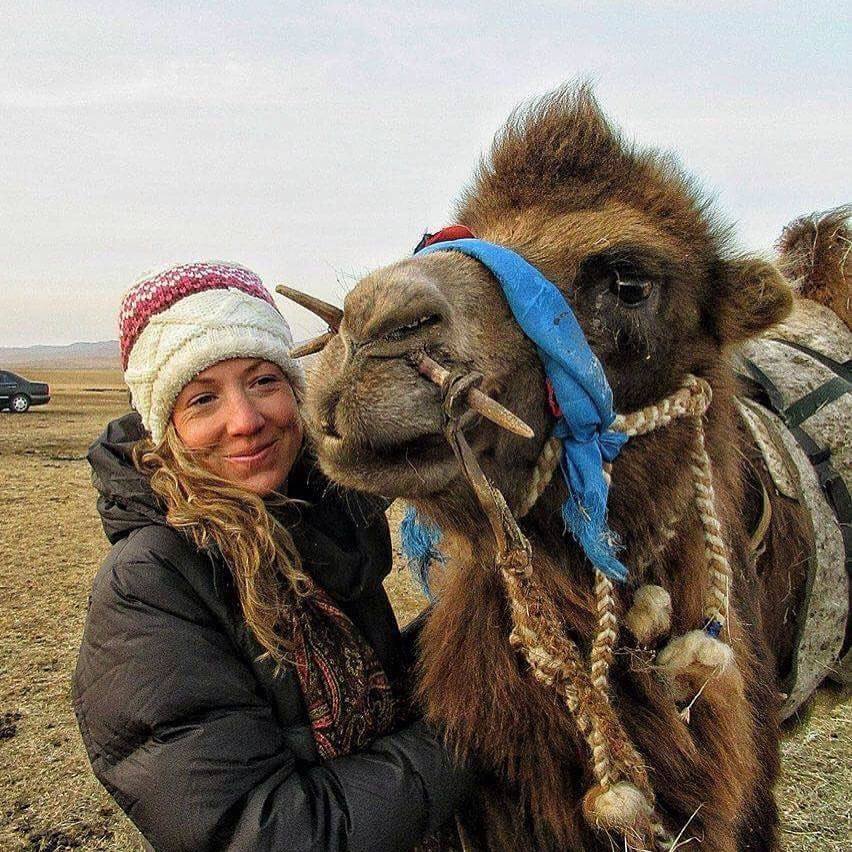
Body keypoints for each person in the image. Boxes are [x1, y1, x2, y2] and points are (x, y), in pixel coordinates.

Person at [73, 262, 471, 852]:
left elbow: (374, 687)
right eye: (203, 398)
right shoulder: (149, 585)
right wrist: (473, 730)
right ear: (166, 429)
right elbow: (264, 832)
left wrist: (483, 632)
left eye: (264, 382)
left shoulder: (311, 523)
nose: (246, 421)